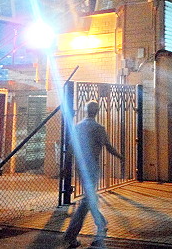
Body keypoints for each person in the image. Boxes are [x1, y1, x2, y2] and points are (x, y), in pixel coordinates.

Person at [64, 101, 123, 248]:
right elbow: (108, 146)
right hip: (93, 167)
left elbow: (70, 148)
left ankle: (99, 224)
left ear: (85, 110)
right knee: (88, 200)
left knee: (90, 197)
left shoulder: (77, 127)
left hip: (80, 167)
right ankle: (76, 232)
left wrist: (66, 167)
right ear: (97, 111)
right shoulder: (98, 128)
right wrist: (120, 157)